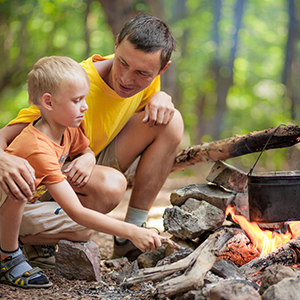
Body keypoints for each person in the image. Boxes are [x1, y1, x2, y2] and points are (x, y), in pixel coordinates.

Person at [0, 14, 184, 264]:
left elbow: (150, 94)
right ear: (116, 43)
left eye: (142, 73)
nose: (127, 79)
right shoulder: (73, 86)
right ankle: (21, 236)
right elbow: (7, 136)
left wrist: (162, 96)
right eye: (122, 63)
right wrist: (3, 159)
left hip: (83, 158)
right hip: (43, 177)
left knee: (171, 120)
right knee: (109, 189)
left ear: (162, 69)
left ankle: (130, 238)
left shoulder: (149, 80)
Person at [0, 56, 162, 289]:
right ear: (48, 102)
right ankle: (8, 256)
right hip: (6, 206)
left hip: (26, 208)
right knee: (30, 189)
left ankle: (21, 243)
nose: (85, 106)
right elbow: (75, 211)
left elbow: (83, 148)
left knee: (86, 227)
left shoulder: (67, 129)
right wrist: (132, 231)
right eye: (77, 100)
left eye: (84, 98)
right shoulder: (37, 146)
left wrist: (88, 157)